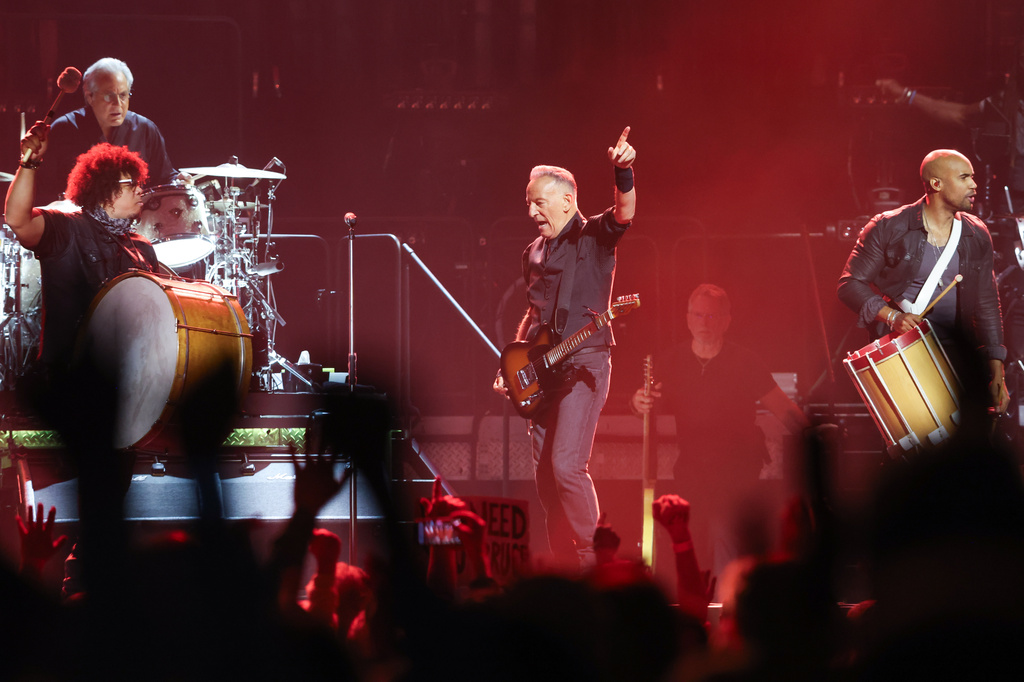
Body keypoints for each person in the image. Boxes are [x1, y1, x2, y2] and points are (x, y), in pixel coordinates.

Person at [493, 126, 636, 571]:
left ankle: (599, 561)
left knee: (567, 465)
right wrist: (515, 362)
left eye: (540, 202)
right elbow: (533, 314)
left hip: (585, 363)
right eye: (529, 202)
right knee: (544, 476)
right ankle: (563, 567)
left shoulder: (595, 236)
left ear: (567, 202)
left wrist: (623, 170)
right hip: (543, 370)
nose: (532, 210)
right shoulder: (531, 253)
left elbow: (624, 212)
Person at [630, 283, 810, 579]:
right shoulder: (671, 362)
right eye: (698, 315)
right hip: (691, 469)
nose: (704, 322)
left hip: (737, 470)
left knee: (725, 536)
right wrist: (637, 402)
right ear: (687, 318)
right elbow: (643, 404)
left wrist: (813, 436)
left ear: (727, 320)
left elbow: (784, 408)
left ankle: (729, 609)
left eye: (712, 316)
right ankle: (697, 609)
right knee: (691, 542)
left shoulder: (745, 361)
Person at [837, 149, 1010, 415]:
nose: (974, 185)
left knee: (964, 449)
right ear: (936, 184)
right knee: (913, 448)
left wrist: (997, 370)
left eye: (973, 177)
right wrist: (893, 317)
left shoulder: (976, 234)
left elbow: (987, 304)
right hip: (905, 353)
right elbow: (849, 284)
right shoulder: (888, 227)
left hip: (958, 356)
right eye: (964, 178)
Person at [4, 140, 159, 377]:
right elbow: (17, 220)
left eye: (141, 184)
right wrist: (30, 163)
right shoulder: (65, 229)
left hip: (128, 379)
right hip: (70, 378)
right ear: (104, 189)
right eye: (132, 184)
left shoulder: (142, 247)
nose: (141, 190)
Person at [19, 57, 179, 203]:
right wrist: (30, 158)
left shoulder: (145, 129)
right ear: (90, 97)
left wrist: (178, 181)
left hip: (134, 226)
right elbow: (41, 189)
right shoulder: (63, 129)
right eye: (109, 96)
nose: (118, 104)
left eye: (123, 95)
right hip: (76, 227)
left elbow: (165, 178)